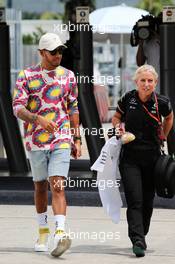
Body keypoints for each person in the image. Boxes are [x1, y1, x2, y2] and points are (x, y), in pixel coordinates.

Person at [12, 32, 81, 257]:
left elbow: (73, 107)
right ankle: (43, 231)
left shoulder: (69, 76)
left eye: (60, 51)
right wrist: (37, 119)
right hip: (35, 139)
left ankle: (60, 233)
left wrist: (76, 137)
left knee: (57, 184)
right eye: (53, 52)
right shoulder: (26, 76)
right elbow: (17, 107)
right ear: (41, 52)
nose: (58, 55)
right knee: (41, 186)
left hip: (61, 138)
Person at [112, 65, 173, 257]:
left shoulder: (161, 101)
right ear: (136, 81)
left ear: (155, 83)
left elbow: (170, 118)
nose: (146, 84)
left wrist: (163, 134)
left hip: (153, 158)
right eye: (143, 80)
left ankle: (141, 232)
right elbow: (116, 117)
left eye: (150, 81)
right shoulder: (128, 98)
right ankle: (137, 239)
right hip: (130, 158)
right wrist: (119, 128)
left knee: (147, 200)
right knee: (134, 199)